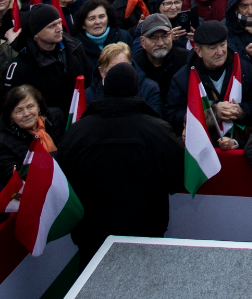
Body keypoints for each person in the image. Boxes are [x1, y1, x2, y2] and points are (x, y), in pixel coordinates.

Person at [54, 63, 184, 248]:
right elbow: (177, 178)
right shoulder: (157, 131)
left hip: (91, 235)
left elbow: (62, 181)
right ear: (136, 88)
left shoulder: (77, 132)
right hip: (145, 233)